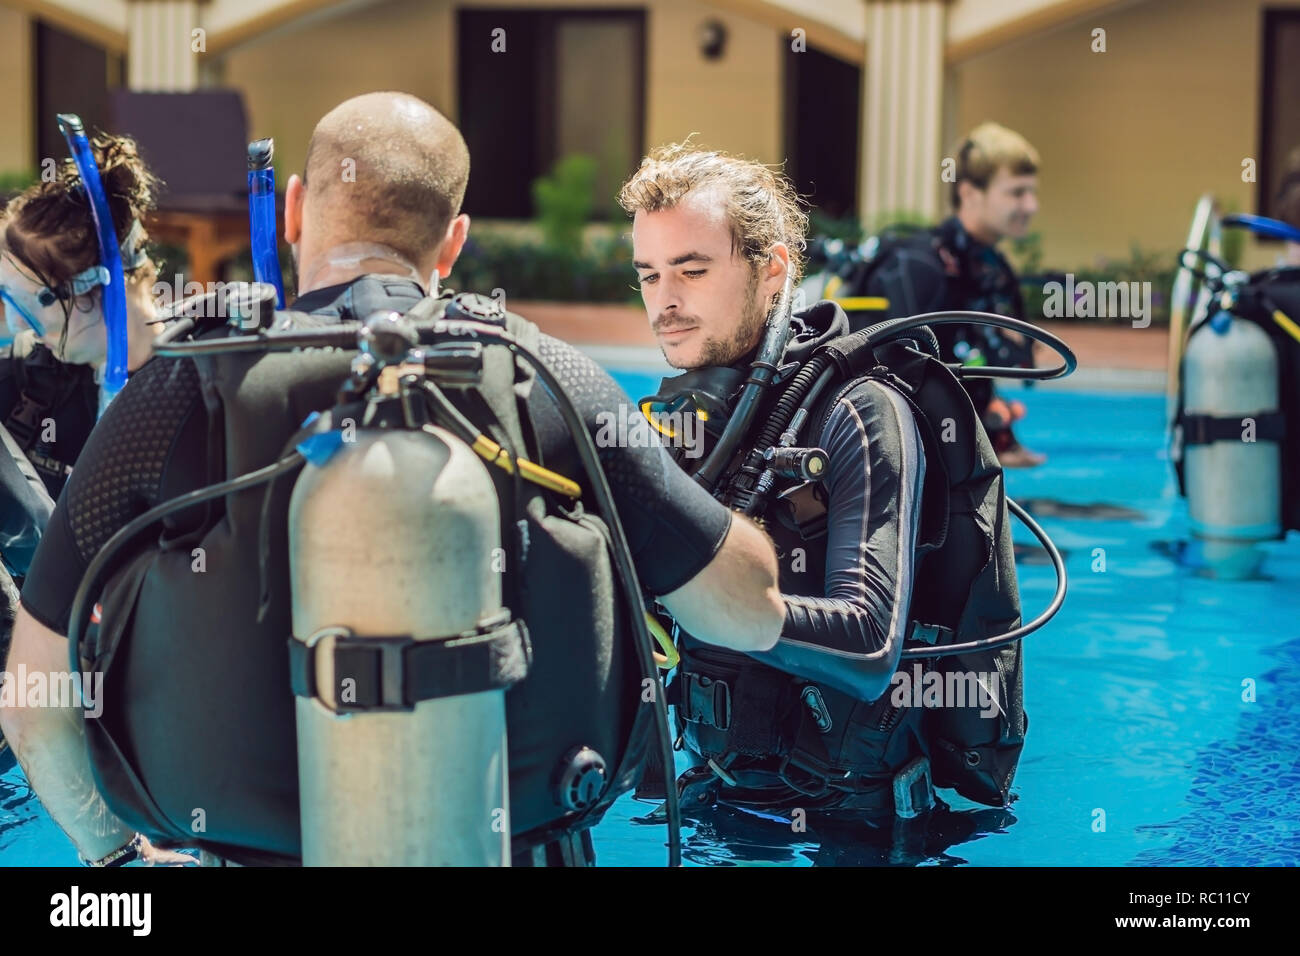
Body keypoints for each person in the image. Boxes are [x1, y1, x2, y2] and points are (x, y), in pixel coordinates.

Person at [0, 92, 784, 867]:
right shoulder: (551, 380)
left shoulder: (176, 391)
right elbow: (746, 615)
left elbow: (33, 702)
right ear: (454, 244)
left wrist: (117, 859)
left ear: (295, 211)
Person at [619, 143, 1026, 840]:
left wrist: (699, 589)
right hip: (721, 801)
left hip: (855, 827)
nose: (668, 301)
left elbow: (869, 648)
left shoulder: (860, 414)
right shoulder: (690, 422)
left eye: (693, 270)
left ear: (772, 270)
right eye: (650, 276)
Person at [0, 134, 163, 775]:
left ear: (88, 292)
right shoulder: (50, 372)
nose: (15, 321)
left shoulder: (201, 389)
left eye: (18, 299)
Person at [864, 122, 1045, 467]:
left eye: (1032, 192)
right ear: (969, 193)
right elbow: (901, 380)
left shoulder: (992, 269)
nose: (1031, 206)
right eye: (1017, 192)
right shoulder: (919, 266)